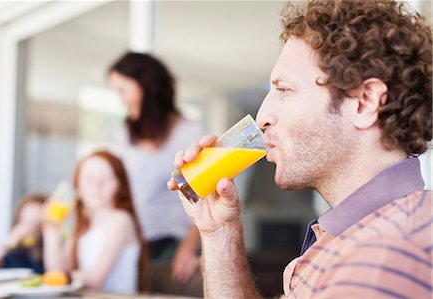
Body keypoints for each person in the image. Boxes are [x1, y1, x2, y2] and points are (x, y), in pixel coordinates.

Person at [168, 0, 432, 298]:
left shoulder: (380, 262)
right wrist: (219, 233)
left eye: (284, 89)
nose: (262, 117)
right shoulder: (353, 236)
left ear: (364, 102)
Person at [108, 52, 204, 283]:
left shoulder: (189, 133)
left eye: (123, 90)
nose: (121, 99)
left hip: (174, 245)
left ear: (146, 88)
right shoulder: (125, 133)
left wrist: (188, 248)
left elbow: (203, 196)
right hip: (133, 243)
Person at [43, 150, 144, 293]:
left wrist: (55, 278)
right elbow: (56, 271)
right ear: (78, 187)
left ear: (120, 185)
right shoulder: (83, 226)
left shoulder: (120, 219)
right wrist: (51, 230)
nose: (97, 185)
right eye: (89, 179)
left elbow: (96, 279)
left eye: (107, 178)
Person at [0, 193, 47, 273]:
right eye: (25, 221)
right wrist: (8, 243)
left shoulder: (50, 250)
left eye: (36, 223)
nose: (30, 229)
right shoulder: (12, 252)